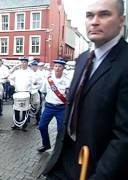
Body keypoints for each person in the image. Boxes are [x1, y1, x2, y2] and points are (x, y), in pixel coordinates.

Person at [42, 0, 128, 179]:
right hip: (64, 161)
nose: (94, 21)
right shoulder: (82, 59)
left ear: (122, 20)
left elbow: (124, 137)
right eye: (89, 15)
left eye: (104, 14)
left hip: (96, 167)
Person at [37, 59, 70, 153]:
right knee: (42, 126)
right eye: (56, 66)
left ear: (63, 68)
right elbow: (43, 90)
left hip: (61, 108)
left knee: (61, 129)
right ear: (53, 67)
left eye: (60, 66)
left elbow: (69, 94)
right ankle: (46, 145)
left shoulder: (67, 80)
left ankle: (59, 148)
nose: (57, 68)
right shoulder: (48, 79)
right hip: (49, 107)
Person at [8, 57, 33, 131]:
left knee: (25, 109)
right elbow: (10, 77)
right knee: (16, 109)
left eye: (25, 62)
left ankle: (24, 125)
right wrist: (12, 83)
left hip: (26, 92)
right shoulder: (17, 72)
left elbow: (34, 81)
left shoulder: (30, 72)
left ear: (27, 63)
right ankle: (16, 124)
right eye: (22, 62)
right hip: (18, 92)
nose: (23, 64)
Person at [30, 60, 44, 125]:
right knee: (29, 105)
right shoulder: (29, 73)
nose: (34, 67)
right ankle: (28, 120)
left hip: (38, 90)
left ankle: (38, 120)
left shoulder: (40, 73)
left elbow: (41, 83)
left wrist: (36, 83)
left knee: (38, 106)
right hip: (30, 91)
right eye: (33, 66)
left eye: (35, 66)